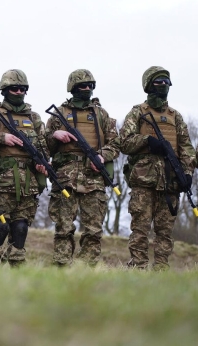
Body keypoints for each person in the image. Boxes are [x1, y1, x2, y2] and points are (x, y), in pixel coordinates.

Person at [119, 66, 196, 271]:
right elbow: (124, 142)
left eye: (166, 82)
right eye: (158, 82)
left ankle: (161, 271)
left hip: (171, 183)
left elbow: (187, 149)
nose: (163, 86)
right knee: (140, 230)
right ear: (148, 86)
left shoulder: (175, 117)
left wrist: (188, 173)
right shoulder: (138, 112)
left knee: (165, 233)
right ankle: (138, 269)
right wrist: (148, 141)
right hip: (144, 181)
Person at [46, 69, 119, 267]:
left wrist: (102, 156)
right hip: (64, 179)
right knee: (63, 228)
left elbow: (116, 143)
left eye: (90, 86)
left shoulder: (101, 114)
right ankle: (61, 269)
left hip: (93, 179)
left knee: (93, 231)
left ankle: (86, 270)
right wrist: (55, 135)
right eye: (82, 86)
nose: (86, 89)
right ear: (73, 88)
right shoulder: (58, 114)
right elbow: (44, 147)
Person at [0, 69, 48, 267]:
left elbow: (43, 147)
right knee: (0, 227)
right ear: (4, 90)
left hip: (27, 183)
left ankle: (18, 269)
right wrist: (1, 138)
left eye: (22, 89)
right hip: (1, 182)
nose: (18, 92)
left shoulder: (34, 118)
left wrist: (42, 162)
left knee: (20, 228)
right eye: (14, 89)